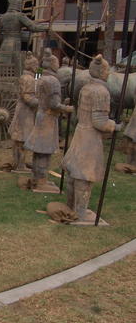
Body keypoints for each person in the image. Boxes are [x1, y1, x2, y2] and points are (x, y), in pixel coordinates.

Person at [60, 55, 121, 221]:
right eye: (107, 70)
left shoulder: (86, 88)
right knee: (84, 176)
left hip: (80, 132)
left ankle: (71, 205)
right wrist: (114, 126)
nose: (108, 73)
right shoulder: (101, 92)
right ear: (101, 72)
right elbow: (99, 122)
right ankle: (80, 212)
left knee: (74, 173)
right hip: (90, 138)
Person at [24, 48, 73, 193]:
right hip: (48, 119)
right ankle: (41, 182)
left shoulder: (40, 78)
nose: (58, 65)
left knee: (39, 151)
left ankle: (37, 178)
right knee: (44, 151)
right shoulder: (53, 81)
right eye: (56, 63)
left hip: (40, 115)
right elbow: (54, 104)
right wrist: (67, 108)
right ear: (52, 64)